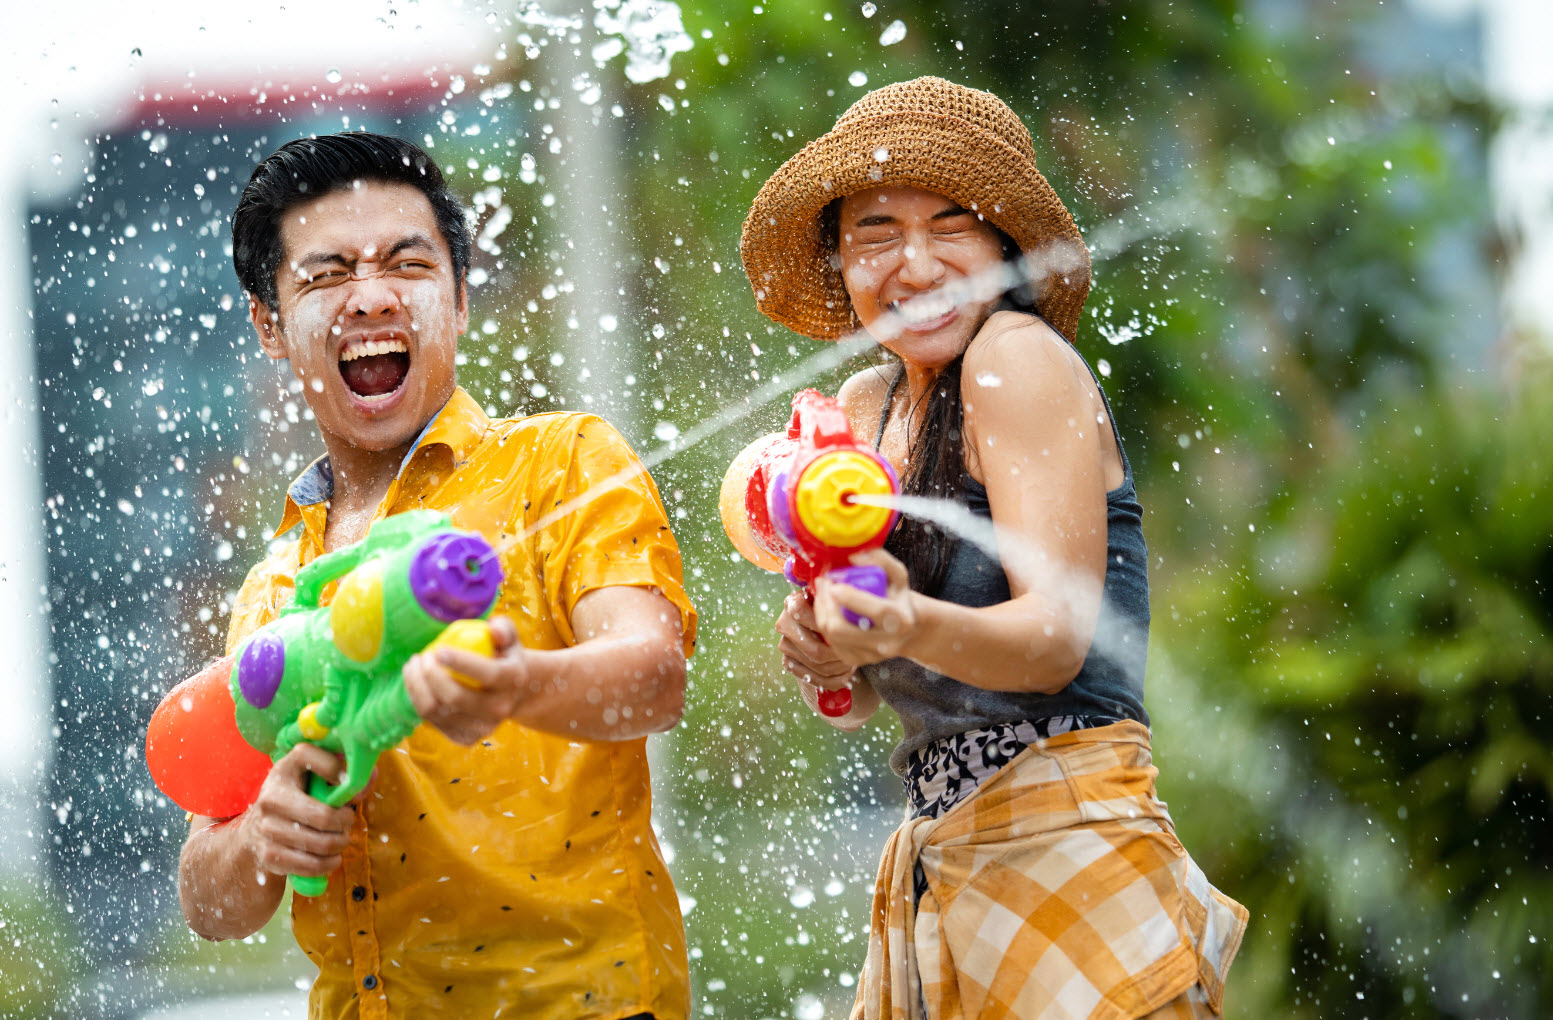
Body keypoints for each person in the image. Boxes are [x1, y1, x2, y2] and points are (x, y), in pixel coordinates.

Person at [740, 78, 1248, 1019]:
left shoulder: (1013, 358)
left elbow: (1057, 640)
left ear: (1004, 247)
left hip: (1065, 836)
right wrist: (820, 644)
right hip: (940, 851)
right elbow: (866, 698)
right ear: (840, 260)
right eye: (876, 232)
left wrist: (898, 618)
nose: (916, 264)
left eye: (952, 225)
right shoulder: (863, 413)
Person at [178, 132, 696, 1020]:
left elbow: (653, 678)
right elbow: (210, 901)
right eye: (326, 274)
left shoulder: (563, 464)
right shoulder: (274, 589)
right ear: (269, 325)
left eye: (406, 265)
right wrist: (264, 834)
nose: (370, 296)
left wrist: (513, 685)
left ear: (457, 300)